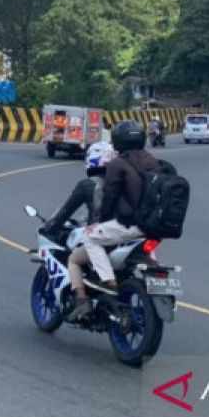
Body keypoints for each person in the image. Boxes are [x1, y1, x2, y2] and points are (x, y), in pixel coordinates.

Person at [80, 120, 175, 297]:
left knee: (90, 238)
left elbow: (109, 196)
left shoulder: (118, 163)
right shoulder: (154, 162)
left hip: (131, 224)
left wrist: (98, 222)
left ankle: (109, 282)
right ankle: (156, 276)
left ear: (118, 141)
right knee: (144, 246)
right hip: (154, 225)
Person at [43, 141, 114, 320]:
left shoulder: (87, 185)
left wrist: (50, 226)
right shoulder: (123, 181)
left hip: (104, 235)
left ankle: (82, 301)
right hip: (129, 233)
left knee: (73, 259)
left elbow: (66, 210)